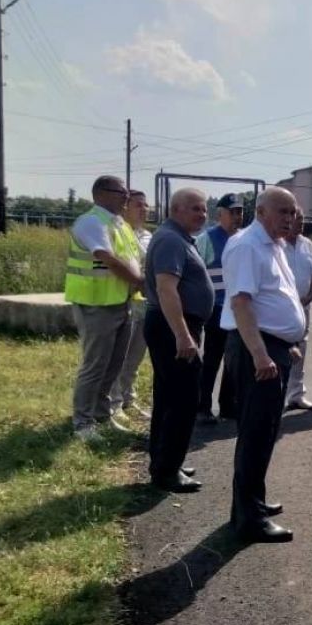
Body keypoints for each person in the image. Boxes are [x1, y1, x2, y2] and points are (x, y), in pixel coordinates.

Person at [221, 187, 307, 543]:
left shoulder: (274, 245)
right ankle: (248, 520)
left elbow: (276, 298)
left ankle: (249, 504)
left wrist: (286, 344)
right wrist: (261, 353)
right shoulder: (247, 246)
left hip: (272, 347)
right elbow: (241, 304)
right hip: (256, 350)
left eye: (293, 212)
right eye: (283, 211)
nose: (290, 218)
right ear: (261, 212)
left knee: (265, 431)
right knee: (256, 433)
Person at [143, 188, 214, 492]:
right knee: (182, 400)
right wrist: (183, 336)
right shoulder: (171, 240)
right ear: (176, 209)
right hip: (173, 327)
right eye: (195, 209)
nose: (202, 214)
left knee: (169, 397)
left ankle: (165, 461)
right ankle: (167, 471)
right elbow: (166, 290)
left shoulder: (178, 238)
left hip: (173, 325)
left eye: (204, 209)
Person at [65, 175, 145, 441]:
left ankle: (102, 414)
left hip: (121, 303)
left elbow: (134, 258)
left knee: (114, 364)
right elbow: (108, 258)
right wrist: (139, 282)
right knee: (95, 365)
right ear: (101, 193)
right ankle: (82, 422)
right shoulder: (91, 222)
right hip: (96, 304)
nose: (126, 197)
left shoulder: (119, 224)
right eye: (121, 192)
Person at [196, 193, 244, 424]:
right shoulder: (207, 239)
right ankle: (203, 407)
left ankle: (228, 405)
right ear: (220, 214)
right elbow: (196, 273)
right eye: (232, 212)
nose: (237, 216)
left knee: (234, 361)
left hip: (238, 310)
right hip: (216, 309)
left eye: (239, 212)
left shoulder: (244, 239)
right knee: (212, 359)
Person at [109, 189, 154, 422]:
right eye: (138, 204)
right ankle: (114, 404)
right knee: (119, 355)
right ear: (125, 207)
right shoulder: (115, 232)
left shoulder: (148, 237)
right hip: (123, 301)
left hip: (144, 303)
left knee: (136, 355)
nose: (144, 209)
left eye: (145, 205)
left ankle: (129, 398)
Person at [284, 209, 312, 411]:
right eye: (298, 219)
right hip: (281, 308)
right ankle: (278, 394)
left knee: (301, 350)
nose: (301, 223)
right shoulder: (276, 244)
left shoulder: (307, 244)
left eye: (303, 220)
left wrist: (309, 295)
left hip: (303, 306)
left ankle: (296, 395)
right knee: (280, 349)